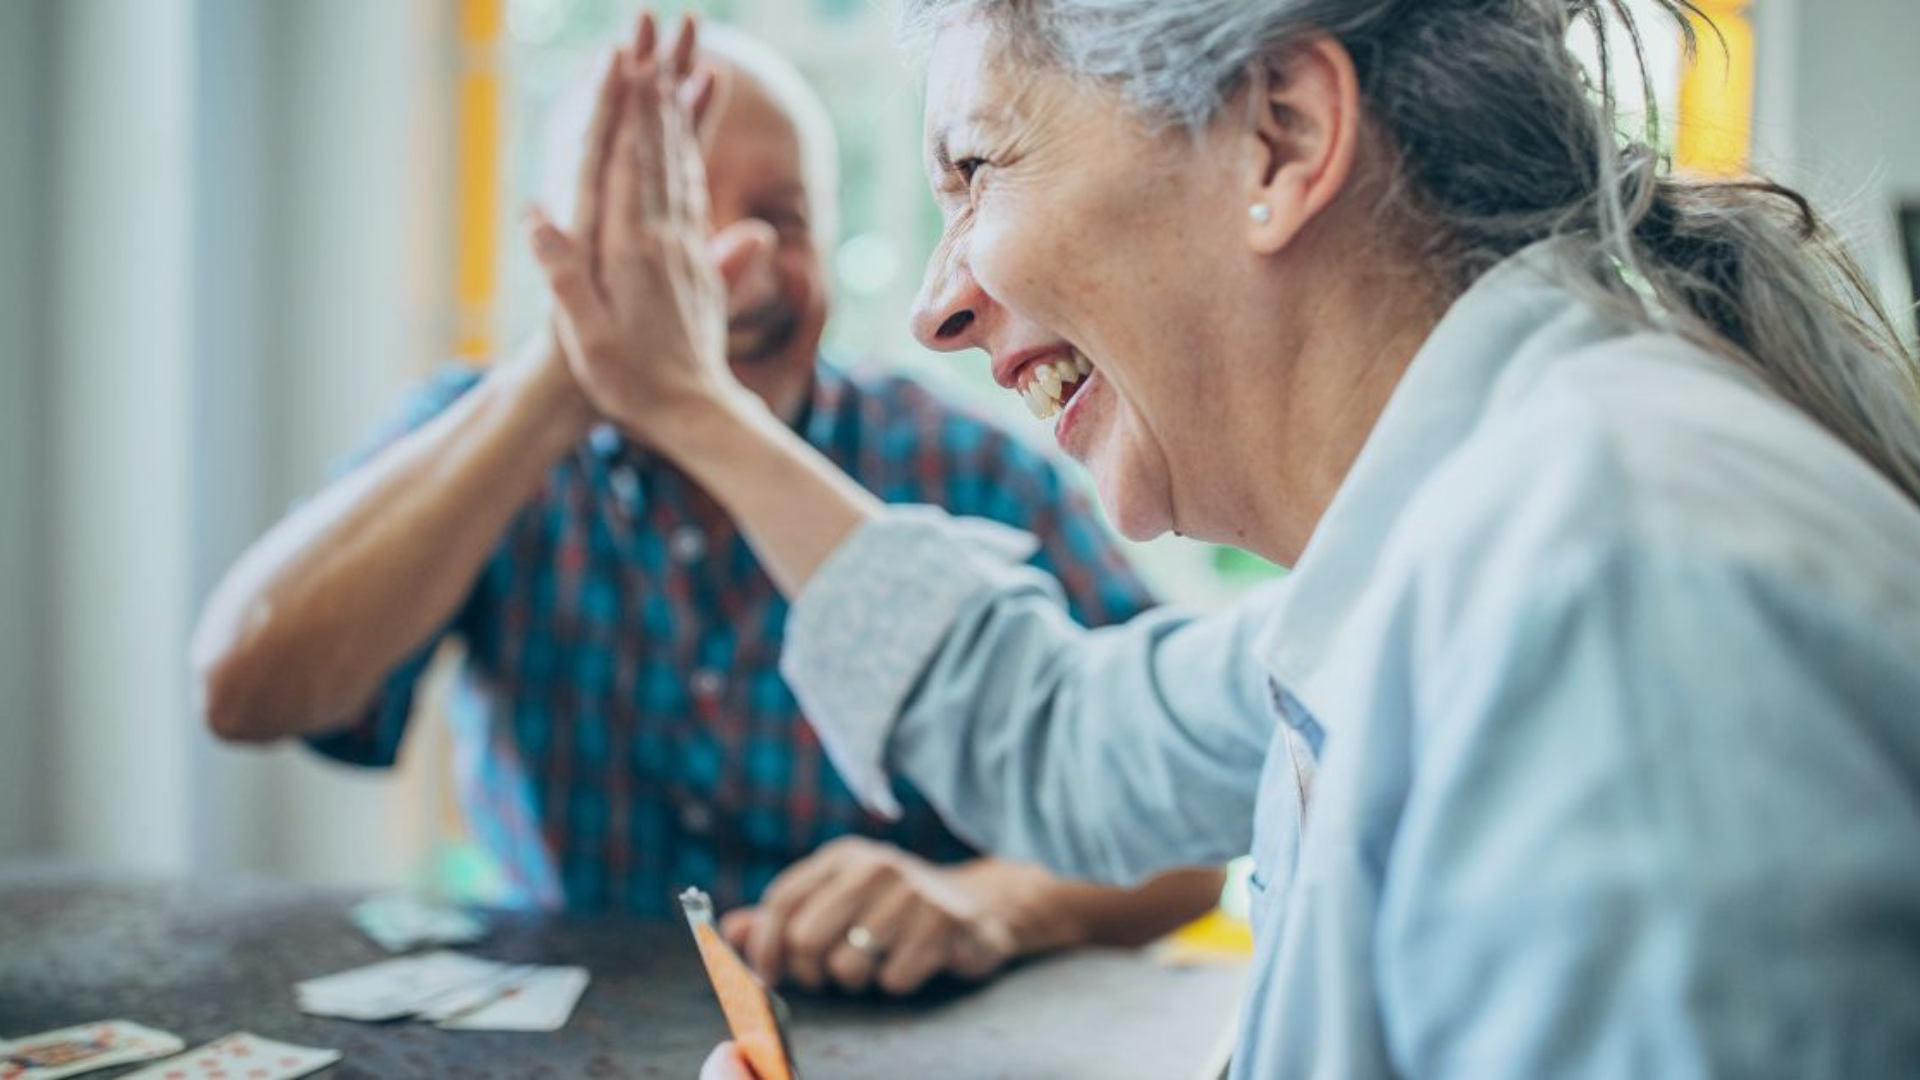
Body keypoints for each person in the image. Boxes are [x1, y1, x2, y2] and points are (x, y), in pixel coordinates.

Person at [522, 4, 1920, 1077]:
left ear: (1283, 138)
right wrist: (692, 409)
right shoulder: (1453, 545)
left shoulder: (1620, 605)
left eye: (976, 169)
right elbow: (1058, 728)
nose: (937, 308)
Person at [188, 19, 1225, 998]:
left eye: (781, 220)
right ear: (563, 252)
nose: (733, 268)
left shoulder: (968, 468)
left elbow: (1185, 831)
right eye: (672, 226)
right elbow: (249, 690)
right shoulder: (474, 432)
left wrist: (987, 903)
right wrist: (572, 372)